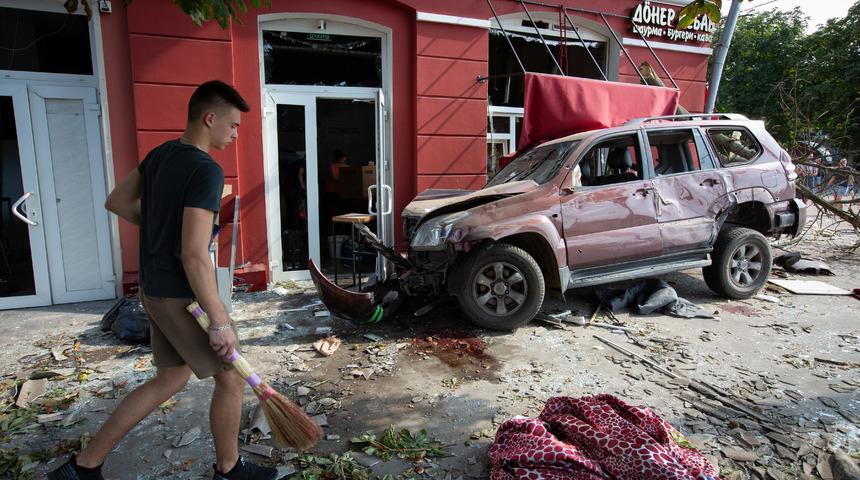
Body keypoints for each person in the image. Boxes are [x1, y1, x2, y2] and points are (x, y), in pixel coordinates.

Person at [48, 81, 277, 480]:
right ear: (210, 118)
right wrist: (219, 319)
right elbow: (193, 255)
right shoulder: (206, 169)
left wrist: (158, 227)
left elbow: (116, 201)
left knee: (170, 378)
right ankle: (229, 470)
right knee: (231, 379)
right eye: (233, 125)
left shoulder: (159, 156)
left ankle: (83, 467)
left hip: (153, 290)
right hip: (181, 296)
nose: (236, 133)